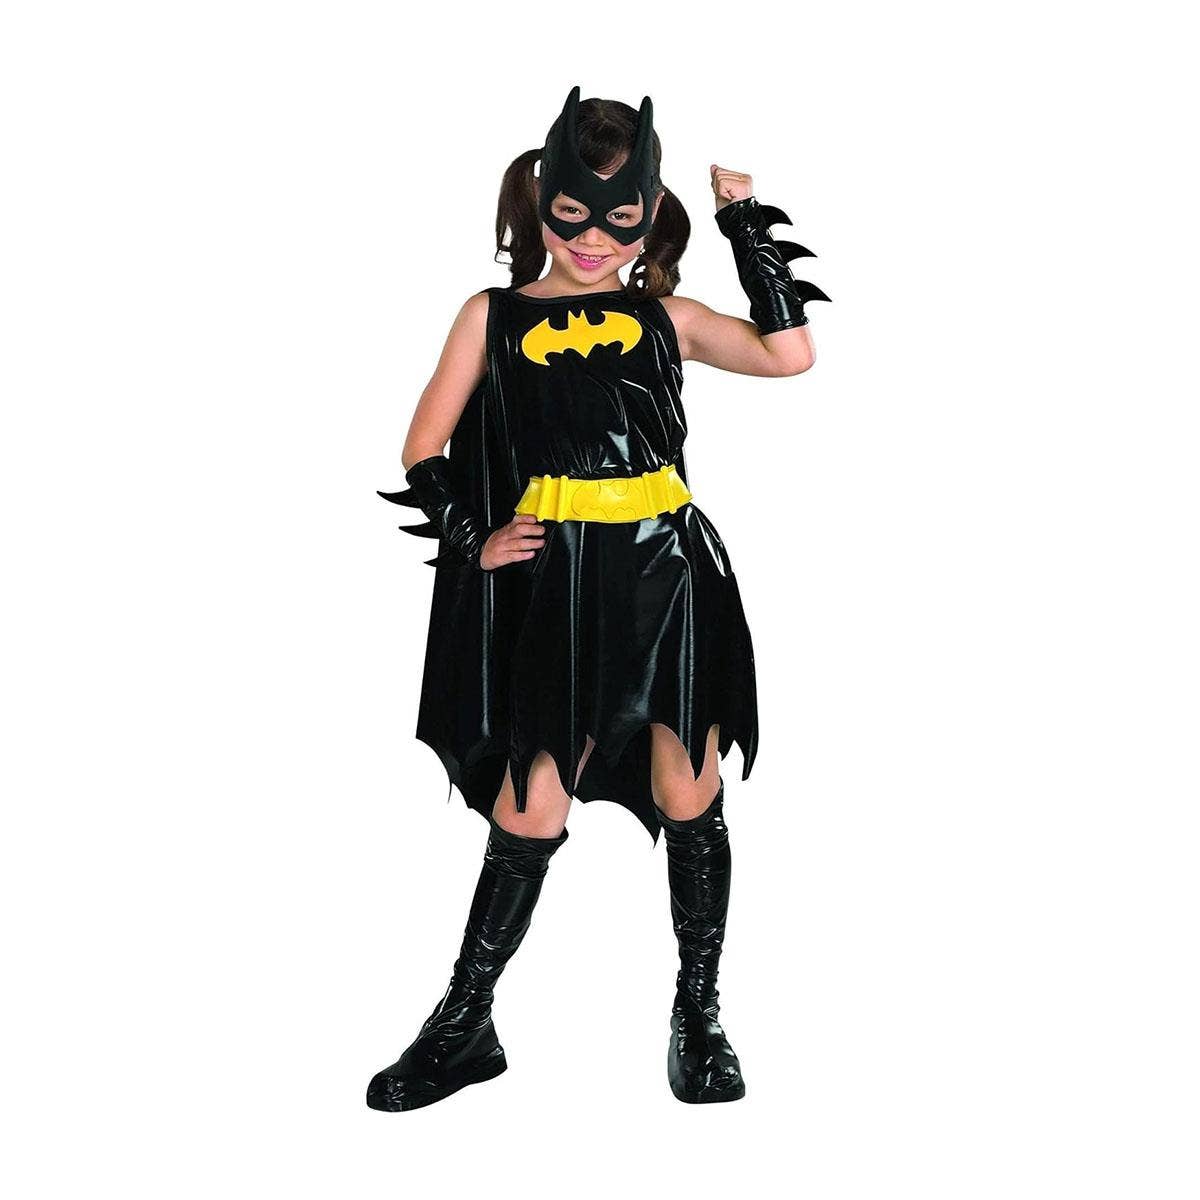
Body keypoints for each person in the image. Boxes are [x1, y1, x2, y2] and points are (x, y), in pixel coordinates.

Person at [367, 84, 830, 1111]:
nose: (591, 241)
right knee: (530, 801)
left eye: (618, 221)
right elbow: (422, 447)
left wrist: (745, 223)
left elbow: (789, 352)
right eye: (571, 215)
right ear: (539, 205)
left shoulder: (667, 318)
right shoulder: (491, 318)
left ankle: (698, 1015)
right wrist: (475, 539)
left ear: (648, 216)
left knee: (687, 790)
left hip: (672, 577)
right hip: (559, 585)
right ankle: (464, 1023)